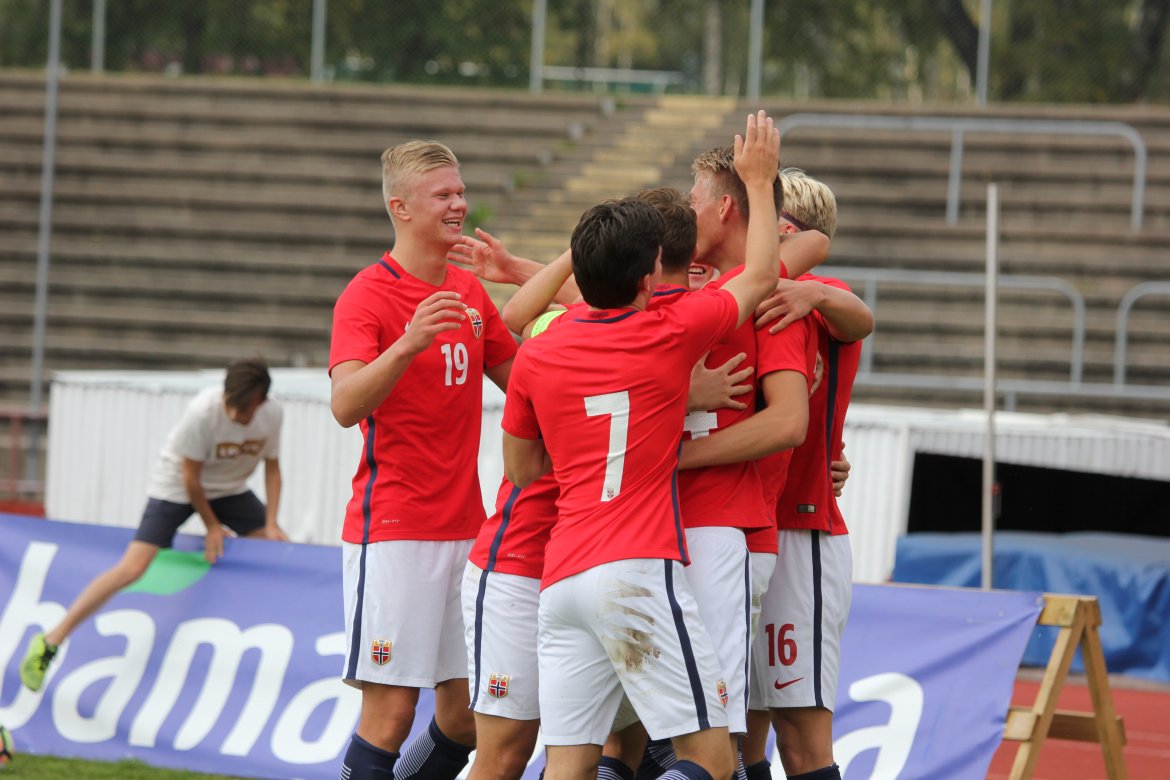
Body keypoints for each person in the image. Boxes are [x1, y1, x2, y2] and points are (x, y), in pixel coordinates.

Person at [502, 110, 781, 780]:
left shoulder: (539, 350)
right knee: (711, 758)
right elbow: (762, 275)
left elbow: (521, 468)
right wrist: (759, 181)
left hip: (562, 577)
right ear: (651, 275)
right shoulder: (670, 330)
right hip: (635, 568)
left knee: (569, 764)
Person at [329, 140, 516, 780]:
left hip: (467, 530)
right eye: (443, 195)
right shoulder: (367, 294)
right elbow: (345, 404)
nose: (459, 204)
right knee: (389, 715)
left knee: (466, 717)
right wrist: (407, 344)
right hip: (395, 532)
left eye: (460, 192)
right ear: (401, 207)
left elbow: (525, 382)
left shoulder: (468, 290)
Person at [19, 357, 285, 692]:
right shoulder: (203, 411)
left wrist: (271, 523)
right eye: (231, 405)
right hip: (176, 487)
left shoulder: (273, 414)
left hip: (230, 489)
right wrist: (212, 526)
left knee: (279, 549)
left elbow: (273, 469)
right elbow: (190, 479)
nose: (235, 415)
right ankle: (50, 641)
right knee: (132, 568)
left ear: (261, 402)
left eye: (244, 409)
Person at [742, 168, 867, 780]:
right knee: (737, 733)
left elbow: (859, 317)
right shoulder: (741, 291)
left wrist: (812, 292)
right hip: (739, 530)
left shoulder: (815, 295)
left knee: (800, 737)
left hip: (800, 533)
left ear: (782, 229)